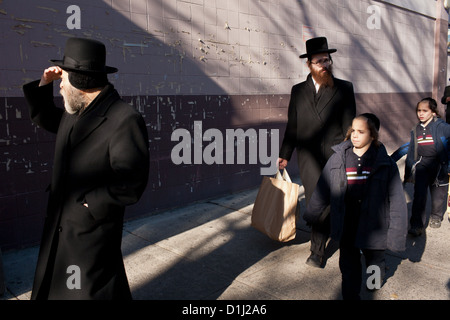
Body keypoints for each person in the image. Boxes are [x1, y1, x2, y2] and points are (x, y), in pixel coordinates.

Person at [22, 37, 150, 300]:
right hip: (60, 225)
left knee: (85, 291)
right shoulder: (76, 111)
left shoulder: (124, 119)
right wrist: (44, 85)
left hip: (89, 233)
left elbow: (131, 181)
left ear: (81, 82)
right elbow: (47, 118)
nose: (61, 87)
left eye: (64, 81)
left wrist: (90, 205)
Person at [304, 113, 408, 300]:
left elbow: (397, 201)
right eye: (353, 130)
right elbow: (323, 188)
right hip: (347, 223)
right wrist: (312, 213)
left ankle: (373, 283)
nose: (355, 135)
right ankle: (351, 295)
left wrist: (397, 235)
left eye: (361, 131)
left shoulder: (385, 163)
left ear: (373, 135)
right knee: (348, 264)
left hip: (375, 225)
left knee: (374, 261)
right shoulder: (338, 159)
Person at [277, 37, 356, 268]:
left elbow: (349, 126)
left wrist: (350, 153)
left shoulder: (344, 88)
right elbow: (293, 125)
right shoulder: (298, 90)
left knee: (332, 200)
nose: (324, 64)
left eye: (327, 60)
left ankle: (322, 241)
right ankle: (318, 251)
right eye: (319, 61)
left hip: (335, 153)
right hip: (308, 156)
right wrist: (285, 152)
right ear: (309, 64)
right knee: (315, 199)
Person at [391, 98, 450, 236]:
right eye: (419, 110)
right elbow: (409, 147)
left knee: (438, 196)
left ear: (434, 112)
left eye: (425, 111)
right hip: (422, 165)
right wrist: (391, 159)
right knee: (419, 196)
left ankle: (436, 216)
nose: (421, 114)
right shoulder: (416, 129)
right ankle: (416, 225)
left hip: (439, 166)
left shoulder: (443, 127)